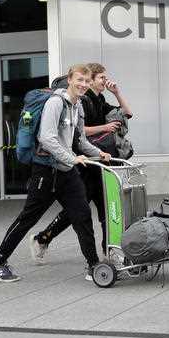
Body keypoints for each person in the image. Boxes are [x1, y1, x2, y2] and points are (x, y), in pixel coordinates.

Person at [0, 65, 112, 283]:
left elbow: (79, 140)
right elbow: (47, 138)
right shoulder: (56, 103)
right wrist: (73, 158)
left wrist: (99, 153)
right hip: (46, 171)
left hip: (67, 173)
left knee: (82, 216)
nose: (83, 85)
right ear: (70, 80)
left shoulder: (78, 106)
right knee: (28, 218)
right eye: (79, 80)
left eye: (86, 81)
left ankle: (93, 266)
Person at [28, 63, 133, 263]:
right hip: (83, 165)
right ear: (91, 80)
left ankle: (108, 251)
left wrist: (117, 93)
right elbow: (79, 134)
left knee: (106, 210)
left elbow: (127, 113)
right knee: (74, 213)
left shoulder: (99, 99)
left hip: (98, 163)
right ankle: (43, 238)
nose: (105, 81)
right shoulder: (81, 102)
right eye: (101, 77)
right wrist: (105, 127)